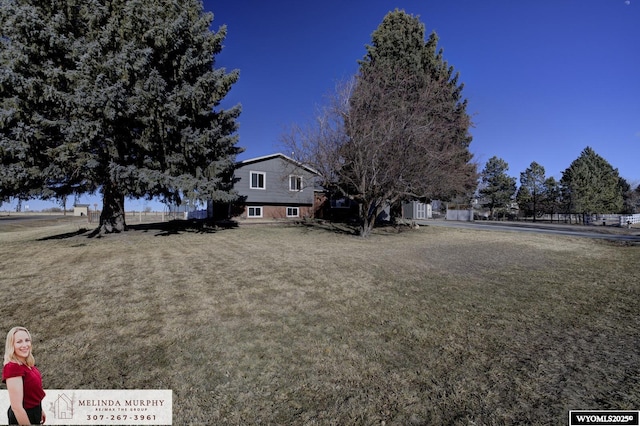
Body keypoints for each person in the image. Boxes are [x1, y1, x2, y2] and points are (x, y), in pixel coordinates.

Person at [2, 327, 46, 425]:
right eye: (19, 342)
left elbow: (31, 393)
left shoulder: (26, 364)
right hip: (23, 416)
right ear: (11, 345)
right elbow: (17, 408)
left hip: (34, 411)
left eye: (27, 340)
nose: (25, 345)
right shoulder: (12, 368)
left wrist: (39, 410)